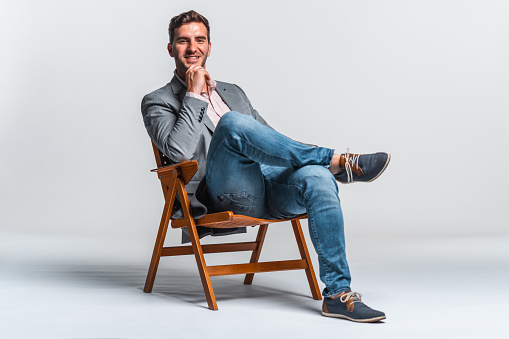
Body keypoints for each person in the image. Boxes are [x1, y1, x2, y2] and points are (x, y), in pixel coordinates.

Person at [141, 10, 390, 323]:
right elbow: (177, 152)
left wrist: (302, 163)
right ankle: (337, 161)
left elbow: (272, 143)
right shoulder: (157, 101)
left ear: (209, 46)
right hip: (220, 193)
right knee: (232, 123)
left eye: (199, 40)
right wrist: (194, 94)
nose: (192, 47)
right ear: (170, 48)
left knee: (317, 177)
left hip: (265, 187)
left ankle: (338, 294)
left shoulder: (233, 91)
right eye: (183, 41)